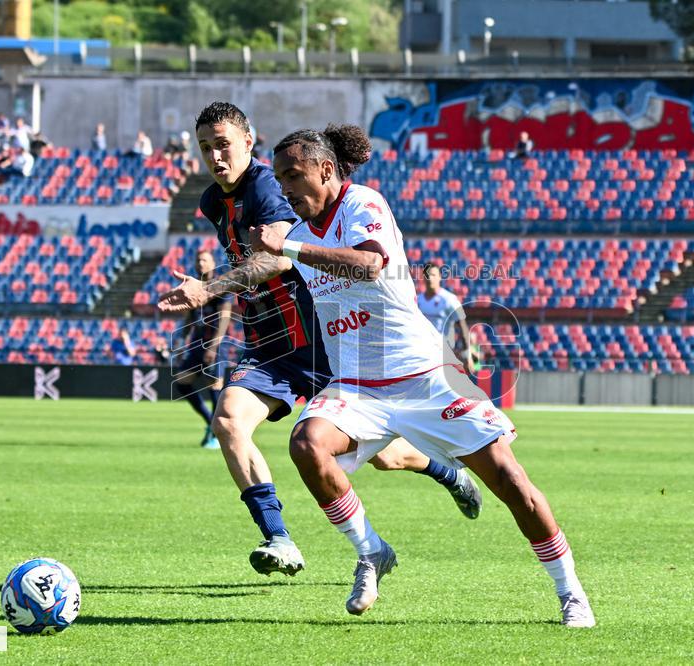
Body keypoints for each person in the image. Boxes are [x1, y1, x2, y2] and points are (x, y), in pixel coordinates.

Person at [250, 123, 595, 626]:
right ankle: (372, 550)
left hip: (425, 376)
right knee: (307, 444)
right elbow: (266, 266)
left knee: (512, 483)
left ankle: (571, 592)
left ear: (326, 169)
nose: (284, 187)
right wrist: (206, 288)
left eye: (292, 174)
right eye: (278, 178)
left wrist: (291, 248)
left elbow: (368, 265)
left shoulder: (363, 204)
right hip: (355, 387)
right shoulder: (299, 236)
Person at [157, 102, 482, 579]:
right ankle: (278, 537)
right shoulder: (212, 201)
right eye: (205, 147)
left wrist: (210, 288)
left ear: (249, 141)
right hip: (270, 346)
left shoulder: (270, 186)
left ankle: (447, 471)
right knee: (229, 421)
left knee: (384, 456)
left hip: (325, 344)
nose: (215, 156)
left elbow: (281, 259)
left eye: (223, 144)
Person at [172, 249, 233, 449]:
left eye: (205, 260)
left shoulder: (220, 287)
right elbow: (189, 319)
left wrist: (214, 347)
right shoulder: (193, 288)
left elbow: (224, 319)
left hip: (215, 344)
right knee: (181, 382)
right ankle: (210, 423)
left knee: (215, 386)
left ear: (213, 264)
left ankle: (217, 435)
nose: (201, 263)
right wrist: (180, 343)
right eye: (198, 260)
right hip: (196, 344)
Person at [418, 263, 475, 374]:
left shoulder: (450, 300)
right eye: (427, 275)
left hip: (443, 354)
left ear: (439, 277)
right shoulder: (417, 301)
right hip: (422, 353)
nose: (430, 278)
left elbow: (462, 326)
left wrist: (467, 354)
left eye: (433, 275)